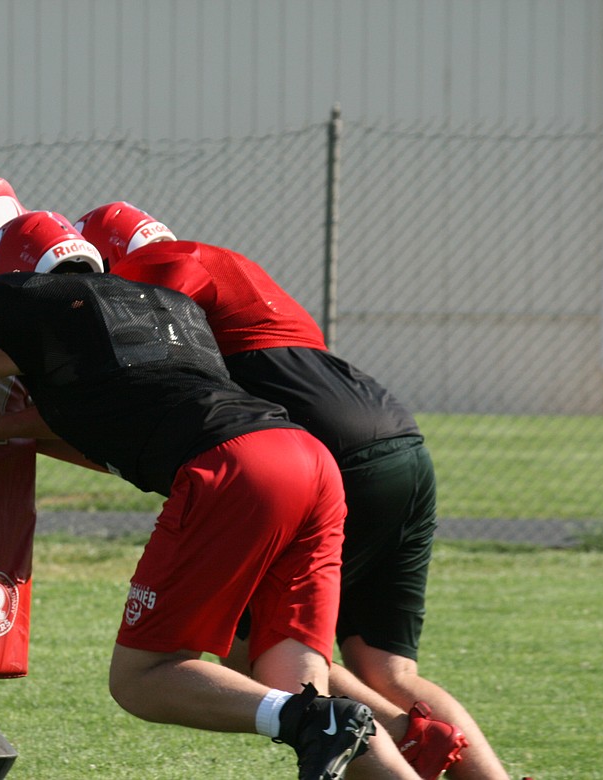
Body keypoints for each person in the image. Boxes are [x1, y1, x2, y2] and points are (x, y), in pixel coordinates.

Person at [0, 210, 422, 780]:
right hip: (309, 463)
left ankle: (306, 721)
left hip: (237, 468)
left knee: (143, 678)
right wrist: (2, 429)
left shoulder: (46, 305)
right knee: (299, 690)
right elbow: (121, 432)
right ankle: (321, 722)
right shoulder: (161, 308)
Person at [76, 202, 510, 780]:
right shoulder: (242, 276)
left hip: (327, 455)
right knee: (389, 674)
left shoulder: (165, 265)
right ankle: (435, 744)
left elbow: (138, 328)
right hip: (398, 441)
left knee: (269, 657)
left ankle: (394, 736)